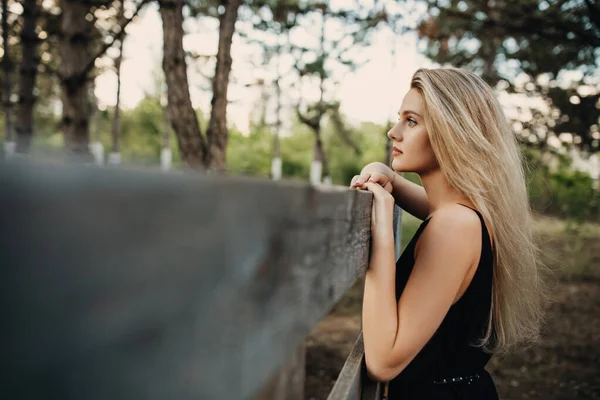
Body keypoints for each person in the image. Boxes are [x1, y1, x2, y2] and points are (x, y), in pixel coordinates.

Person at [349, 67, 549, 399]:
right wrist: (383, 174)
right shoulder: (465, 214)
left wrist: (381, 238)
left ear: (452, 133)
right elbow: (433, 207)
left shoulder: (454, 226)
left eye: (411, 121)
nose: (392, 132)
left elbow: (383, 362)